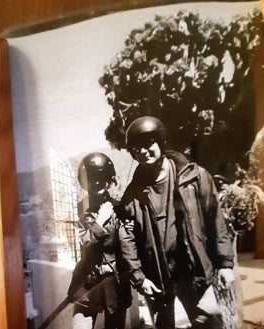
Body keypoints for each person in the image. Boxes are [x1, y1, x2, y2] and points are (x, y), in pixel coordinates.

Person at [119, 116, 235, 329]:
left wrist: (225, 264)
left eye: (148, 144)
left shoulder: (195, 176)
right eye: (137, 148)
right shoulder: (131, 195)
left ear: (161, 141)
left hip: (194, 271)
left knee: (210, 322)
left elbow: (215, 219)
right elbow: (127, 239)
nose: (143, 151)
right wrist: (139, 277)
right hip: (158, 279)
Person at [67, 152, 132, 329]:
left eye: (101, 177)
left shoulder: (121, 209)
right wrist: (100, 221)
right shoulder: (79, 209)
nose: (97, 182)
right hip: (87, 284)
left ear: (109, 180)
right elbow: (82, 243)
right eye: (92, 178)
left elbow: (129, 245)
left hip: (116, 284)